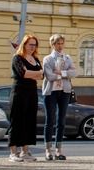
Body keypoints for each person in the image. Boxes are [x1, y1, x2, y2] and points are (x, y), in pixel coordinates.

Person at [9, 34, 43, 162]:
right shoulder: (17, 58)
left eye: (35, 45)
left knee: (29, 121)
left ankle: (25, 151)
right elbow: (23, 73)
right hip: (19, 92)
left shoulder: (35, 58)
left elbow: (42, 76)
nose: (33, 47)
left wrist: (34, 74)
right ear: (24, 44)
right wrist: (36, 73)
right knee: (17, 121)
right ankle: (13, 152)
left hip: (32, 92)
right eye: (30, 44)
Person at [42, 33, 75, 161]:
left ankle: (58, 150)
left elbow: (75, 72)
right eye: (57, 43)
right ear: (53, 44)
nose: (60, 46)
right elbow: (49, 76)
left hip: (64, 91)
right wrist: (65, 75)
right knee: (50, 120)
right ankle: (47, 150)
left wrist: (61, 73)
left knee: (61, 121)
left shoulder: (67, 58)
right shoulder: (48, 59)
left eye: (62, 43)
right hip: (51, 92)